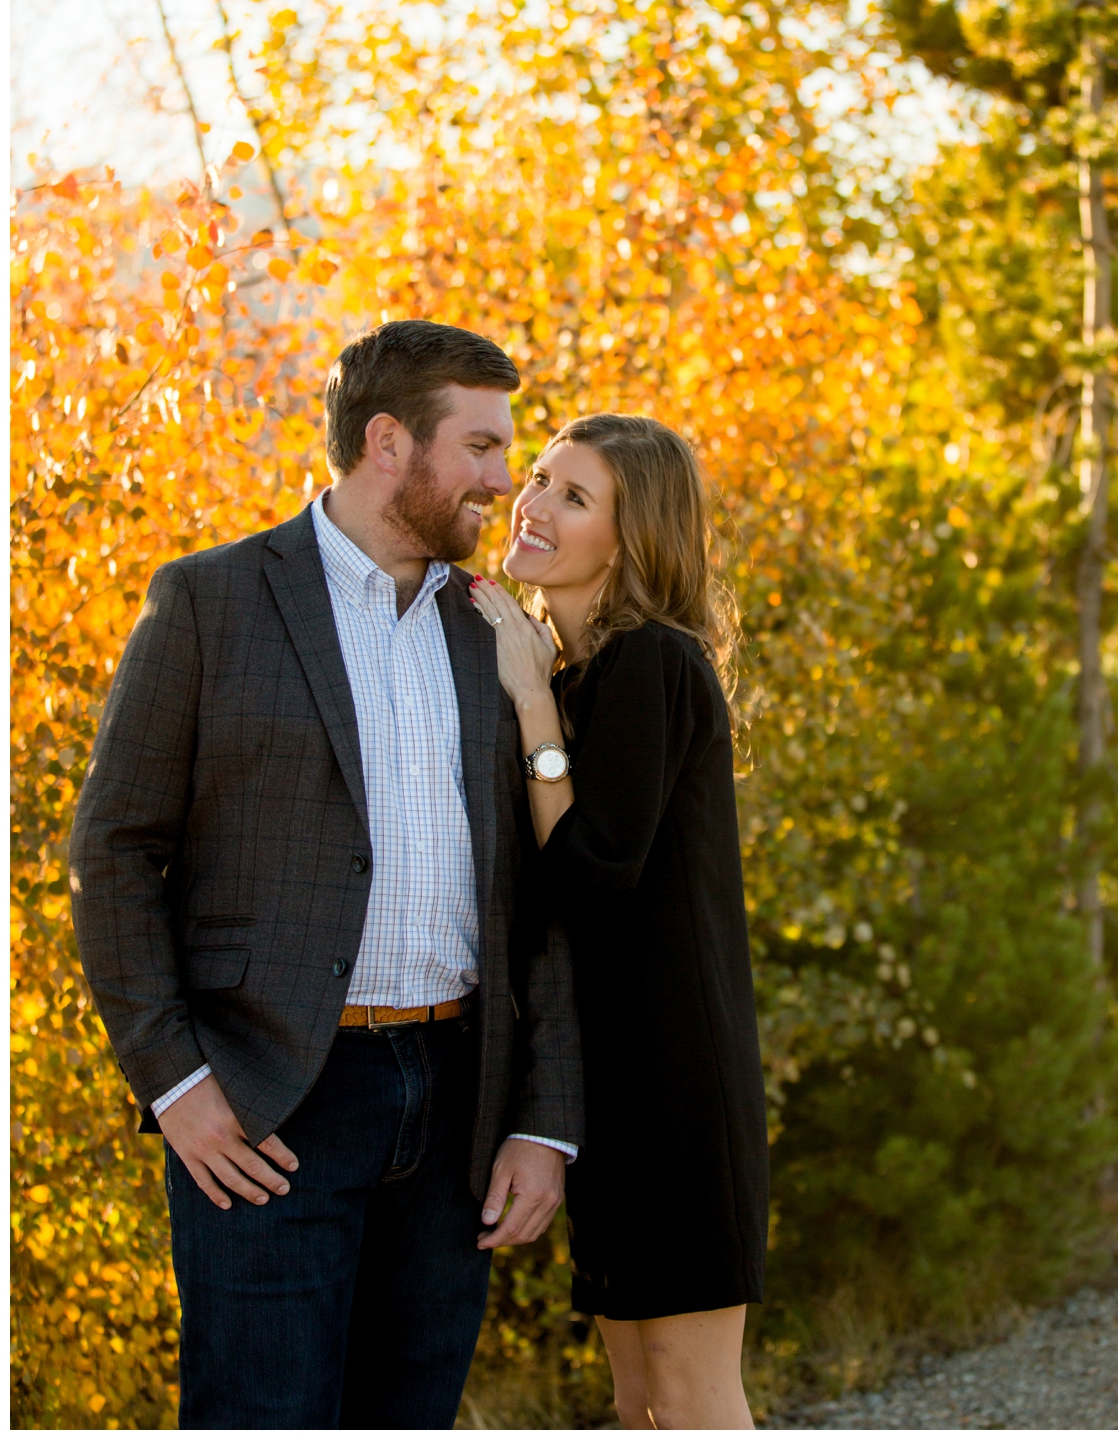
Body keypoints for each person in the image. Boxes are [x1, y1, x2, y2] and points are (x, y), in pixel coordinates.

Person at [69, 319, 583, 1428]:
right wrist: (175, 1084)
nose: (506, 481)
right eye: (483, 448)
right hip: (271, 1108)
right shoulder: (209, 601)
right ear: (389, 441)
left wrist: (544, 1120)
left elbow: (537, 899)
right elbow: (111, 849)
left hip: (459, 1109)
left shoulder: (492, 627)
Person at [467, 413, 768, 1430]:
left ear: (631, 541)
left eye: (573, 495)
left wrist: (529, 707)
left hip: (677, 1094)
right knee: (640, 1401)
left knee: (689, 1399)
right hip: (609, 1092)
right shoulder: (577, 676)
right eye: (540, 477)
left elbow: (590, 877)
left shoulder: (653, 663)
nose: (533, 501)